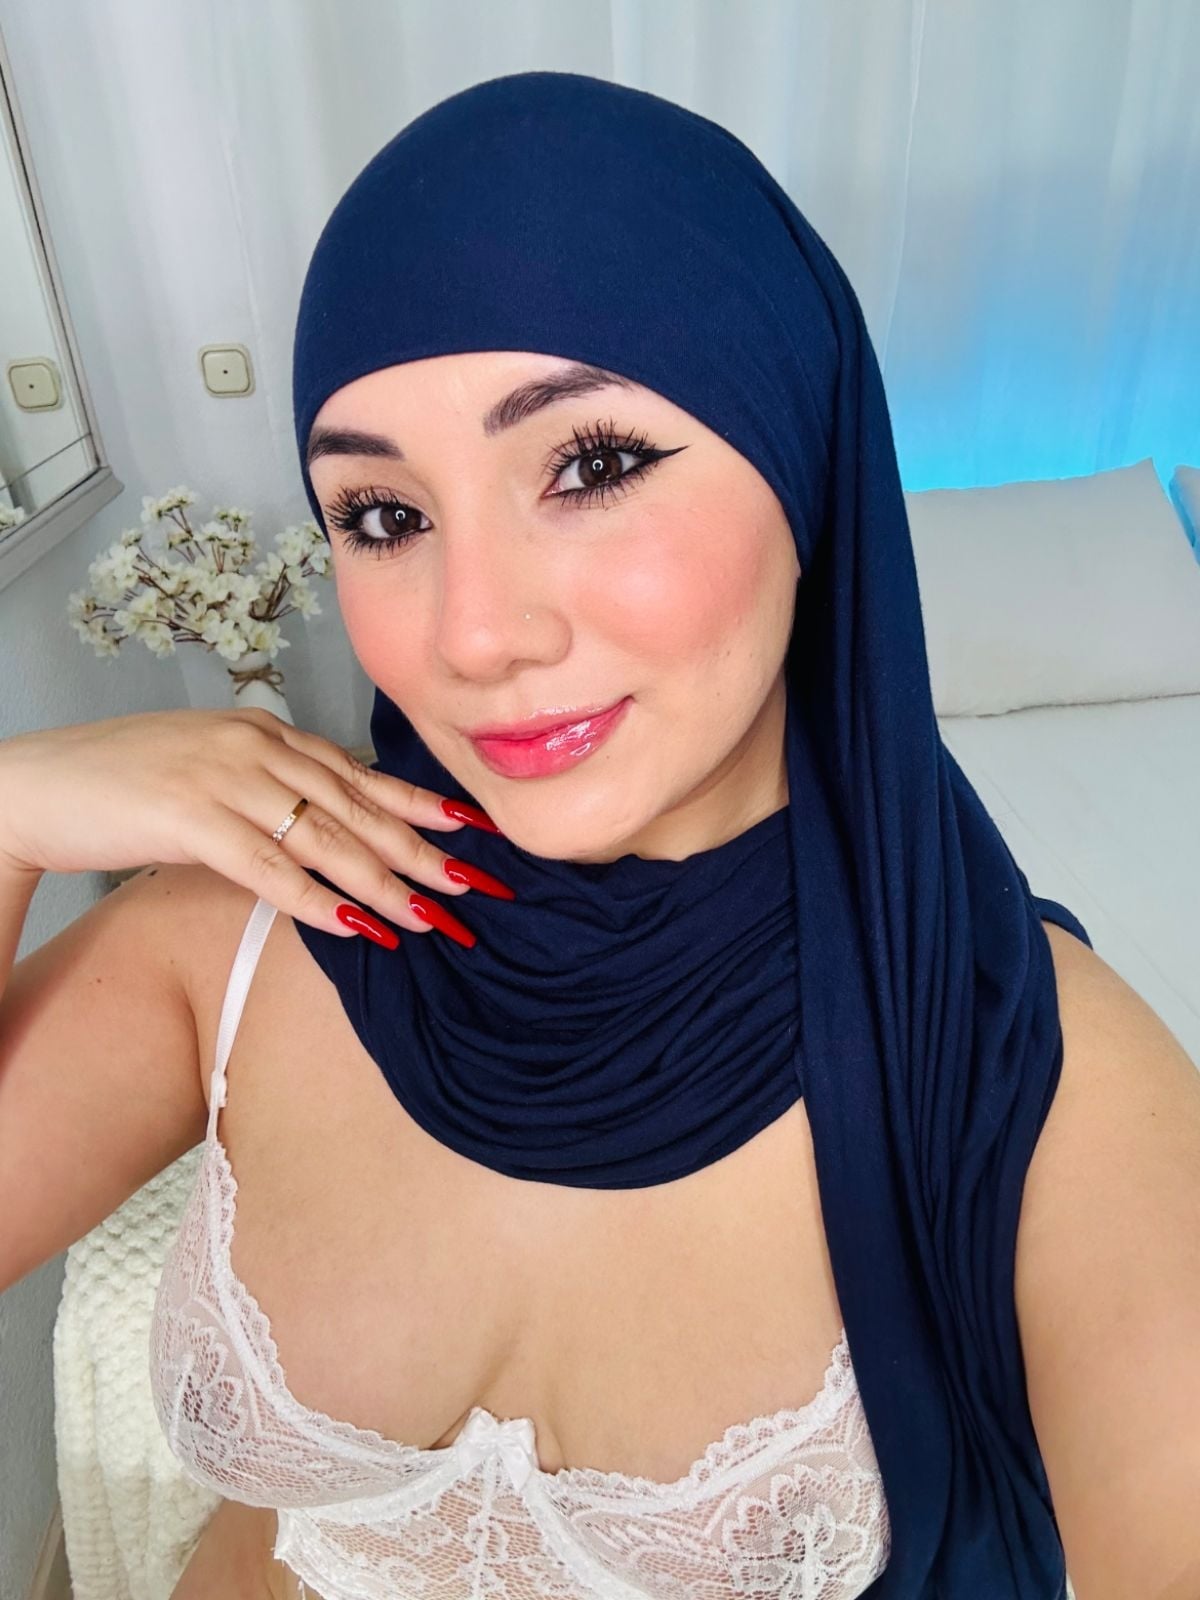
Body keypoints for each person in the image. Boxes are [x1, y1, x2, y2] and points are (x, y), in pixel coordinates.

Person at [2, 70, 1198, 1600]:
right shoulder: (235, 937)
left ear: (804, 461)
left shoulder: (1036, 1079)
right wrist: (12, 810)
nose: (476, 635)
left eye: (593, 466)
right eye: (384, 516)